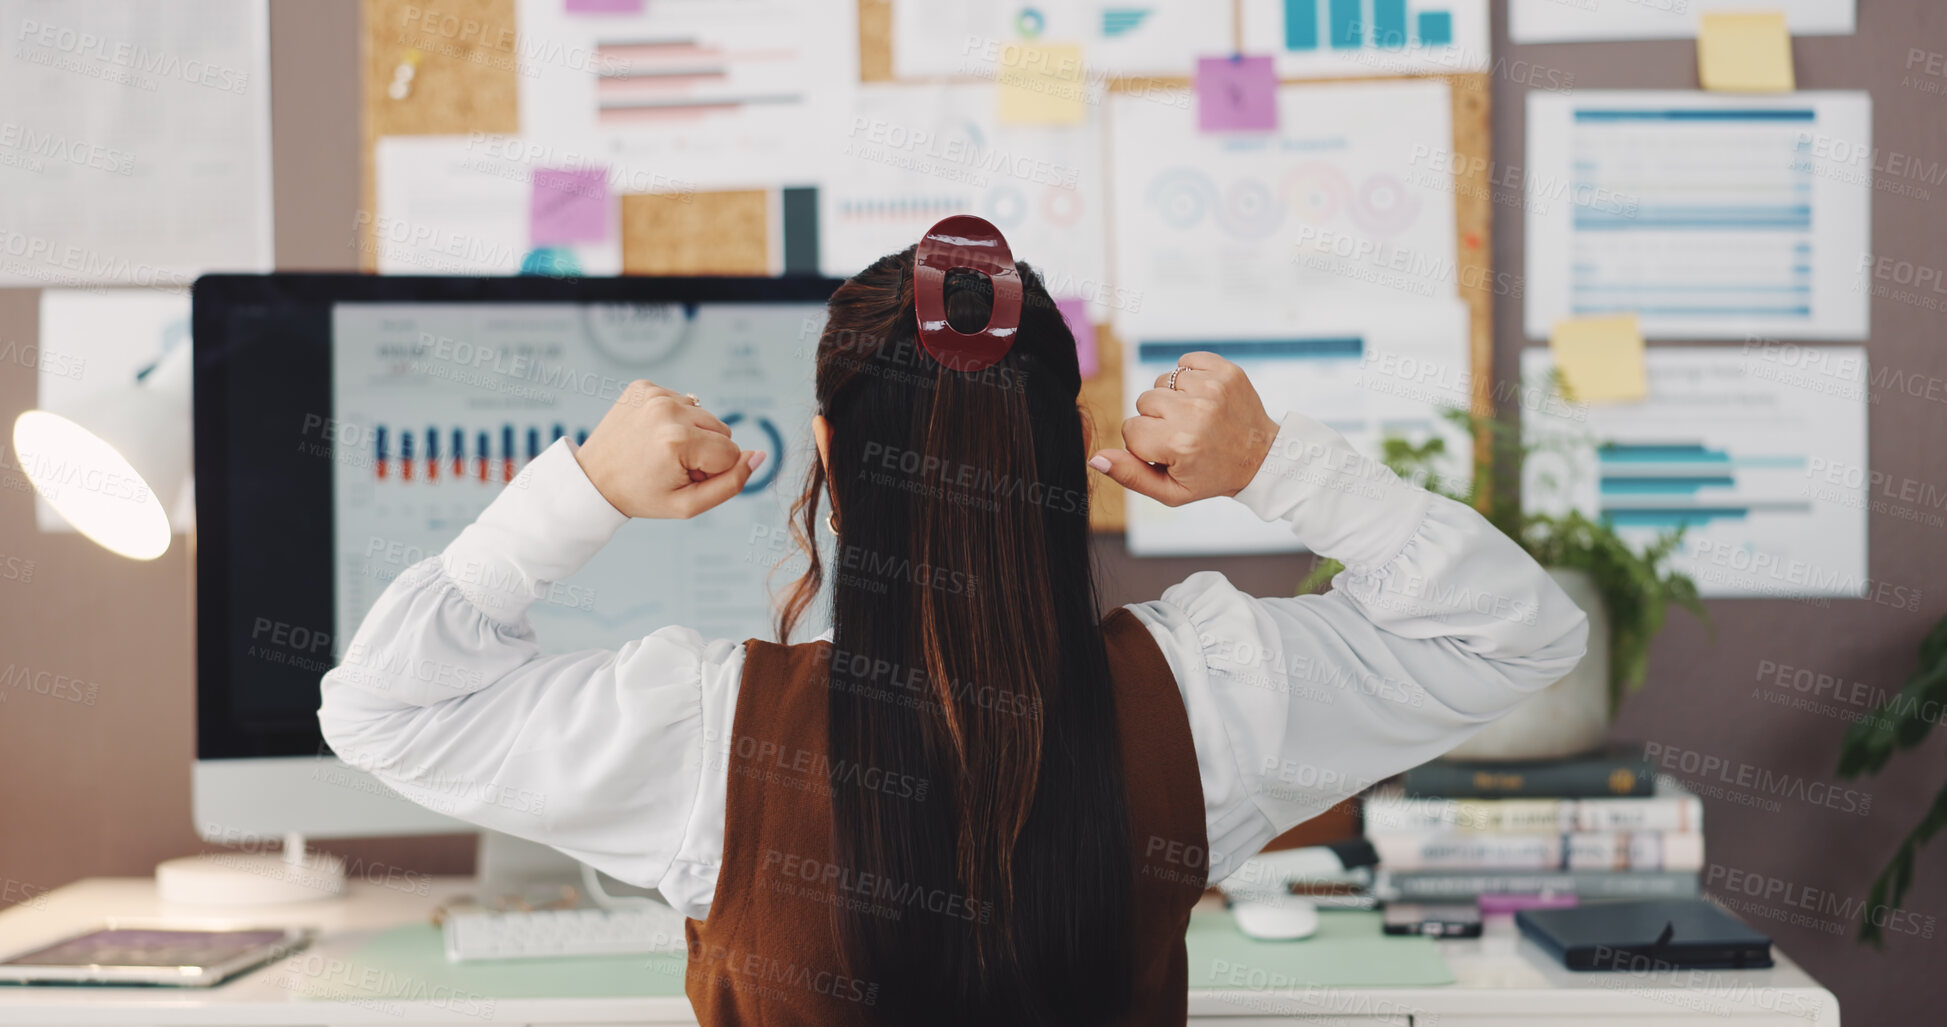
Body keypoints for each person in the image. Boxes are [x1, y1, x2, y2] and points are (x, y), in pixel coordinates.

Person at [319, 222, 1587, 1026]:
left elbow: (378, 705)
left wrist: (578, 492)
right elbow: (1519, 637)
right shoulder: (1211, 699)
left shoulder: (707, 741)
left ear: (826, 452)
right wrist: (1277, 465)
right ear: (1075, 449)